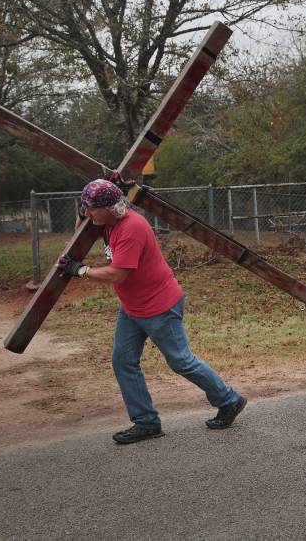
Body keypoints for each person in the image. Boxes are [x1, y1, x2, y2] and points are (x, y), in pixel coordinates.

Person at [60, 178, 247, 444]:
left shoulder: (131, 228)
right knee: (123, 361)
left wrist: (81, 271)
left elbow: (118, 274)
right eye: (85, 207)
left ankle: (229, 400)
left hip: (159, 305)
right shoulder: (107, 221)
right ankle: (146, 423)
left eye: (91, 208)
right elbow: (81, 233)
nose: (88, 213)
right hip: (133, 307)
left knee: (181, 361)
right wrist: (83, 212)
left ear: (109, 207)